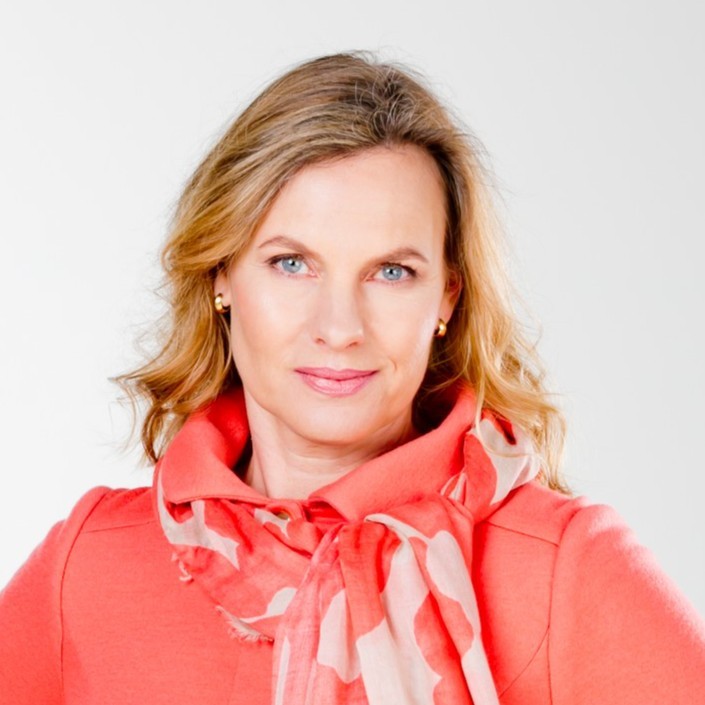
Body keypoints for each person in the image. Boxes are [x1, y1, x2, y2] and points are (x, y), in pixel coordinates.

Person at [1, 52, 704, 705]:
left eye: (391, 272)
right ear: (221, 276)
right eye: (291, 263)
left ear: (446, 299)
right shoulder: (88, 566)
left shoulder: (565, 568)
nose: (339, 326)